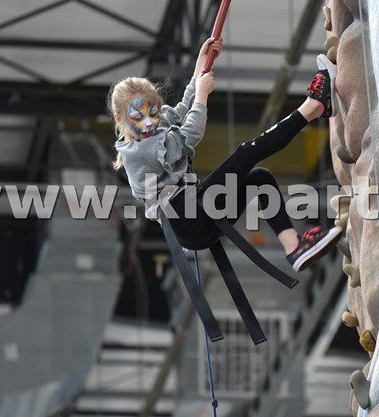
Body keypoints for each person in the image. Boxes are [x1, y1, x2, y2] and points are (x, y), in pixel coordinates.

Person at [110, 37, 342, 272]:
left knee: (259, 179)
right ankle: (315, 107)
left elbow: (181, 109)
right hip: (187, 219)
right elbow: (190, 134)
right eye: (138, 117)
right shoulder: (136, 153)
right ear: (119, 118)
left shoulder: (154, 130)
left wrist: (201, 67)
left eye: (153, 113)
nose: (149, 123)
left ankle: (294, 248)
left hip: (197, 217)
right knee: (246, 152)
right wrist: (203, 95)